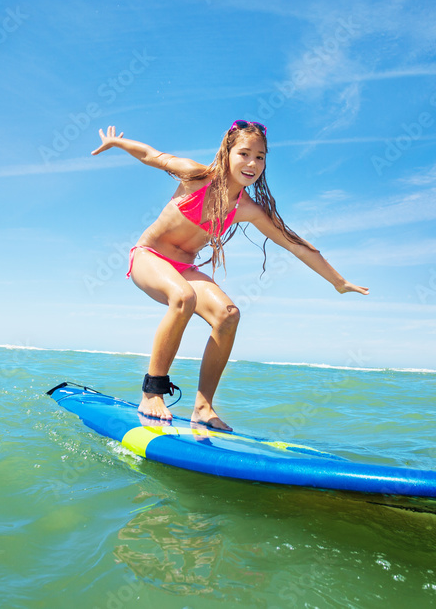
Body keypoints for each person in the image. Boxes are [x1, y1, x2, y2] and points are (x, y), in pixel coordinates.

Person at [91, 121, 368, 430]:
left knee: (228, 315)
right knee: (183, 296)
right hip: (148, 256)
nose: (252, 163)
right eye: (244, 153)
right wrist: (116, 143)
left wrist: (338, 281)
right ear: (227, 152)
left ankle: (203, 407)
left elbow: (295, 244)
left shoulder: (248, 208)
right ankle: (152, 391)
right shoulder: (195, 176)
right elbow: (151, 155)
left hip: (184, 268)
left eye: (260, 157)